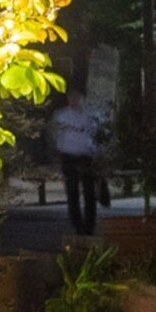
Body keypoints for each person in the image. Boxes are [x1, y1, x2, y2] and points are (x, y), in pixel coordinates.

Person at [53, 96, 106, 236]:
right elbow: (57, 136)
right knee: (72, 192)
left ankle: (89, 225)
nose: (74, 101)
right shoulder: (62, 116)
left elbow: (97, 135)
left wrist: (97, 153)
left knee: (89, 192)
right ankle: (77, 224)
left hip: (86, 156)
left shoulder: (90, 116)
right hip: (69, 156)